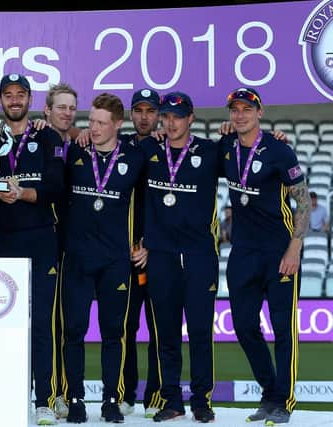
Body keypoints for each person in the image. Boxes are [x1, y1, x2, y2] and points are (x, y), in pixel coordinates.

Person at [0, 73, 65, 425]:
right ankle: (5, 396)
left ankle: (43, 399)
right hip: (1, 239)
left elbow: (56, 187)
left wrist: (21, 194)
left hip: (41, 238)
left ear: (30, 99)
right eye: (8, 95)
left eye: (21, 94)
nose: (15, 100)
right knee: (2, 327)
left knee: (42, 323)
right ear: (0, 100)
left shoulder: (47, 136)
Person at [222, 87, 310, 425]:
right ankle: (270, 390)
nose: (240, 114)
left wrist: (295, 246)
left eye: (247, 109)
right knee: (244, 326)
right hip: (243, 251)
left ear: (259, 112)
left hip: (279, 251)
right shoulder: (225, 149)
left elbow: (302, 200)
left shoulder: (279, 150)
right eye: (235, 110)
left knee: (283, 329)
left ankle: (284, 401)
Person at [61, 93, 145, 423]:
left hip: (115, 261)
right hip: (78, 259)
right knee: (74, 332)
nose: (93, 128)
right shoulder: (76, 152)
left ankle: (112, 399)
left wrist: (145, 242)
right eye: (91, 121)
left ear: (117, 125)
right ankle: (76, 399)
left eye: (100, 123)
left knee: (114, 333)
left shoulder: (135, 158)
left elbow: (149, 204)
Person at [141, 92, 219, 423]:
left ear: (191, 118)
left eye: (178, 117)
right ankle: (172, 399)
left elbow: (249, 156)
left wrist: (273, 137)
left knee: (201, 332)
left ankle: (201, 400)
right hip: (161, 255)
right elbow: (105, 142)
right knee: (167, 333)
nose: (171, 123)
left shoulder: (211, 151)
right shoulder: (149, 149)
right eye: (166, 117)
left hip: (200, 255)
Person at [120, 88, 163, 419]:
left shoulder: (168, 147)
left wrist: (151, 242)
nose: (144, 116)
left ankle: (157, 395)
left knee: (159, 326)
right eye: (139, 110)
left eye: (150, 111)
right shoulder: (119, 145)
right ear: (131, 114)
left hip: (158, 250)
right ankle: (126, 393)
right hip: (125, 253)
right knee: (126, 326)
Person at [42, 82, 78, 419]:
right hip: (42, 241)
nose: (66, 112)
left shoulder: (83, 142)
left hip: (74, 244)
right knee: (45, 323)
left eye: (71, 108)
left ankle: (62, 394)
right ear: (47, 111)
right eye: (61, 107)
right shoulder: (36, 140)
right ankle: (47, 394)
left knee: (66, 324)